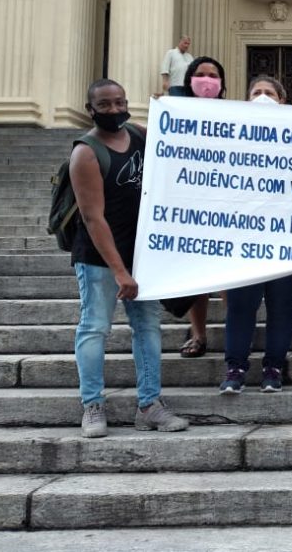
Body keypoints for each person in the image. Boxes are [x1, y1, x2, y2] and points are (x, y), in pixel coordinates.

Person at [69, 79, 189, 437]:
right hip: (99, 257)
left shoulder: (138, 135)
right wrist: (121, 271)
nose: (113, 109)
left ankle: (149, 405)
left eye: (119, 102)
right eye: (104, 105)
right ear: (91, 109)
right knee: (95, 327)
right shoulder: (85, 154)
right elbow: (93, 218)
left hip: (143, 253)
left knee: (148, 327)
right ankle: (92, 405)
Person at [218, 76, 292, 394]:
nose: (263, 97)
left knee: (282, 305)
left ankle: (273, 366)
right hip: (244, 238)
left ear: (282, 101)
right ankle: (235, 367)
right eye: (256, 92)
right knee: (241, 305)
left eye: (269, 93)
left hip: (289, 237)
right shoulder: (231, 141)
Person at [177, 56, 229, 358]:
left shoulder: (232, 113)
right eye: (200, 74)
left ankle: (235, 329)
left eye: (213, 75)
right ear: (189, 80)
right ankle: (198, 335)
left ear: (221, 83)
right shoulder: (177, 113)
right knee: (197, 276)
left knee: (226, 277)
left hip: (225, 205)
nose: (207, 80)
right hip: (191, 206)